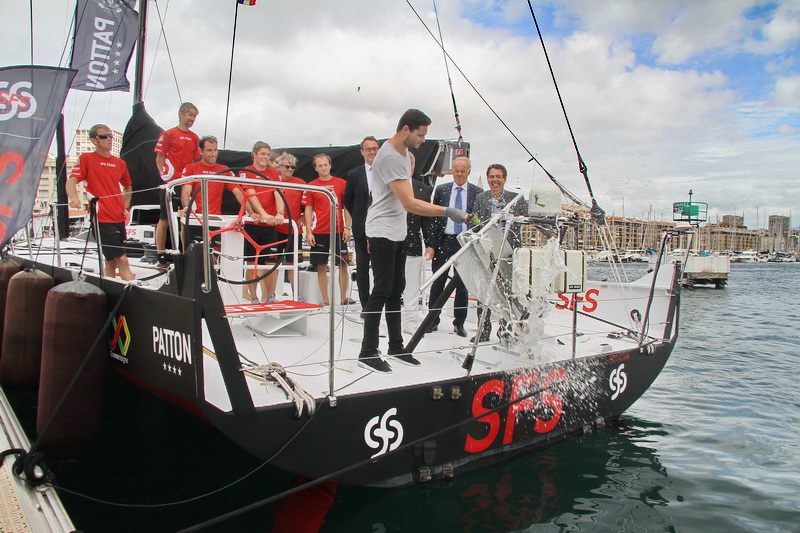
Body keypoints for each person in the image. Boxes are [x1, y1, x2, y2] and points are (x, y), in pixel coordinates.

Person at [358, 108, 467, 374]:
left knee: (397, 288)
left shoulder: (406, 155)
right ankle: (368, 351)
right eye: (420, 134)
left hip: (396, 230)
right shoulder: (389, 157)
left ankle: (396, 346)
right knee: (382, 290)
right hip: (382, 230)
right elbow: (409, 202)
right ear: (405, 129)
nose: (423, 140)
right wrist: (446, 211)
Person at [469, 163, 529, 342]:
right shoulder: (481, 198)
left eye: (498, 177)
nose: (495, 180)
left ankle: (505, 330)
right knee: (484, 293)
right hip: (487, 251)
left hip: (510, 253)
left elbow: (526, 220)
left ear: (504, 179)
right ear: (487, 179)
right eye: (491, 177)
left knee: (508, 293)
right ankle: (483, 331)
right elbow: (474, 220)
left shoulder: (517, 199)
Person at [67, 124, 135, 281]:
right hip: (101, 218)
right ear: (94, 140)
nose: (109, 139)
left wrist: (126, 206)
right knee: (122, 260)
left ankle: (110, 291)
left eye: (110, 135)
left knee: (111, 260)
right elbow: (72, 181)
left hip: (118, 217)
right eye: (104, 136)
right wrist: (74, 199)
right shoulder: (86, 158)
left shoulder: (120, 163)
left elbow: (128, 186)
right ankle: (134, 294)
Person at [426, 156, 483, 337]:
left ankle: (459, 323)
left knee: (462, 284)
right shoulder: (442, 190)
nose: (459, 174)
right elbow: (434, 220)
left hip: (465, 242)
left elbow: (479, 220)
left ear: (468, 172)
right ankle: (432, 321)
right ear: (452, 171)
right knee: (438, 282)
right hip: (445, 241)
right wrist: (431, 245)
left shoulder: (478, 193)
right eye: (456, 170)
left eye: (462, 171)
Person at [235, 141, 284, 303]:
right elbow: (250, 193)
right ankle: (253, 297)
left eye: (267, 154)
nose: (265, 157)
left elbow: (278, 193)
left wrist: (279, 213)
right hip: (252, 224)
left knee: (271, 261)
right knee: (252, 262)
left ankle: (270, 296)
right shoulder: (246, 171)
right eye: (262, 153)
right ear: (254, 154)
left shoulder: (273, 173)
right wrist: (261, 213)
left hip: (270, 225)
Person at [154, 102, 200, 268]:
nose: (192, 119)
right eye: (190, 115)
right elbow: (159, 158)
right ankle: (160, 254)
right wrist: (164, 178)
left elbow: (195, 160)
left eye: (194, 116)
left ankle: (183, 253)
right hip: (171, 184)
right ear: (181, 114)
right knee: (164, 219)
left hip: (186, 183)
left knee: (184, 220)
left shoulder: (195, 138)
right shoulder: (168, 134)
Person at [302, 154, 352, 306]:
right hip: (320, 231)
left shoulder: (342, 183)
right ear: (315, 168)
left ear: (330, 165)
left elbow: (346, 207)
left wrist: (347, 227)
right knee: (321, 265)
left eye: (325, 164)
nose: (323, 168)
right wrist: (309, 231)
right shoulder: (311, 186)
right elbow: (308, 210)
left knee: (342, 263)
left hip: (338, 230)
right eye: (320, 165)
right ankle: (325, 299)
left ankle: (343, 298)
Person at [343, 136, 379, 310]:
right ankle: (366, 305)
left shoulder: (386, 172)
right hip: (361, 229)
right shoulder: (354, 174)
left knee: (380, 269)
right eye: (368, 149)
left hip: (382, 228)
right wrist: (359, 218)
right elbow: (348, 201)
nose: (372, 152)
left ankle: (378, 303)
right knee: (363, 269)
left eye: (375, 148)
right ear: (362, 152)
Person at [179, 135, 234, 246]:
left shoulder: (224, 170)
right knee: (194, 256)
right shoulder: (191, 168)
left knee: (215, 258)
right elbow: (186, 191)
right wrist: (187, 208)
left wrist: (251, 212)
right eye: (209, 150)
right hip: (196, 219)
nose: (213, 154)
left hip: (215, 220)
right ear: (200, 151)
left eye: (215, 150)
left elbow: (238, 192)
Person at [401, 176, 434, 334]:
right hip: (388, 241)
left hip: (412, 243)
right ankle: (382, 322)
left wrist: (430, 243)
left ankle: (411, 322)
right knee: (386, 285)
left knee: (412, 286)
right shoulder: (386, 182)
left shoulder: (423, 189)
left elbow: (427, 219)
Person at [273, 152, 305, 299]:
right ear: (279, 167)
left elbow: (310, 204)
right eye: (287, 167)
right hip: (274, 228)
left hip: (294, 230)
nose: (290, 169)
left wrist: (305, 215)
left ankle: (295, 295)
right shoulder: (271, 181)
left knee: (293, 265)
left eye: (293, 167)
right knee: (272, 264)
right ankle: (270, 294)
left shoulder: (301, 183)